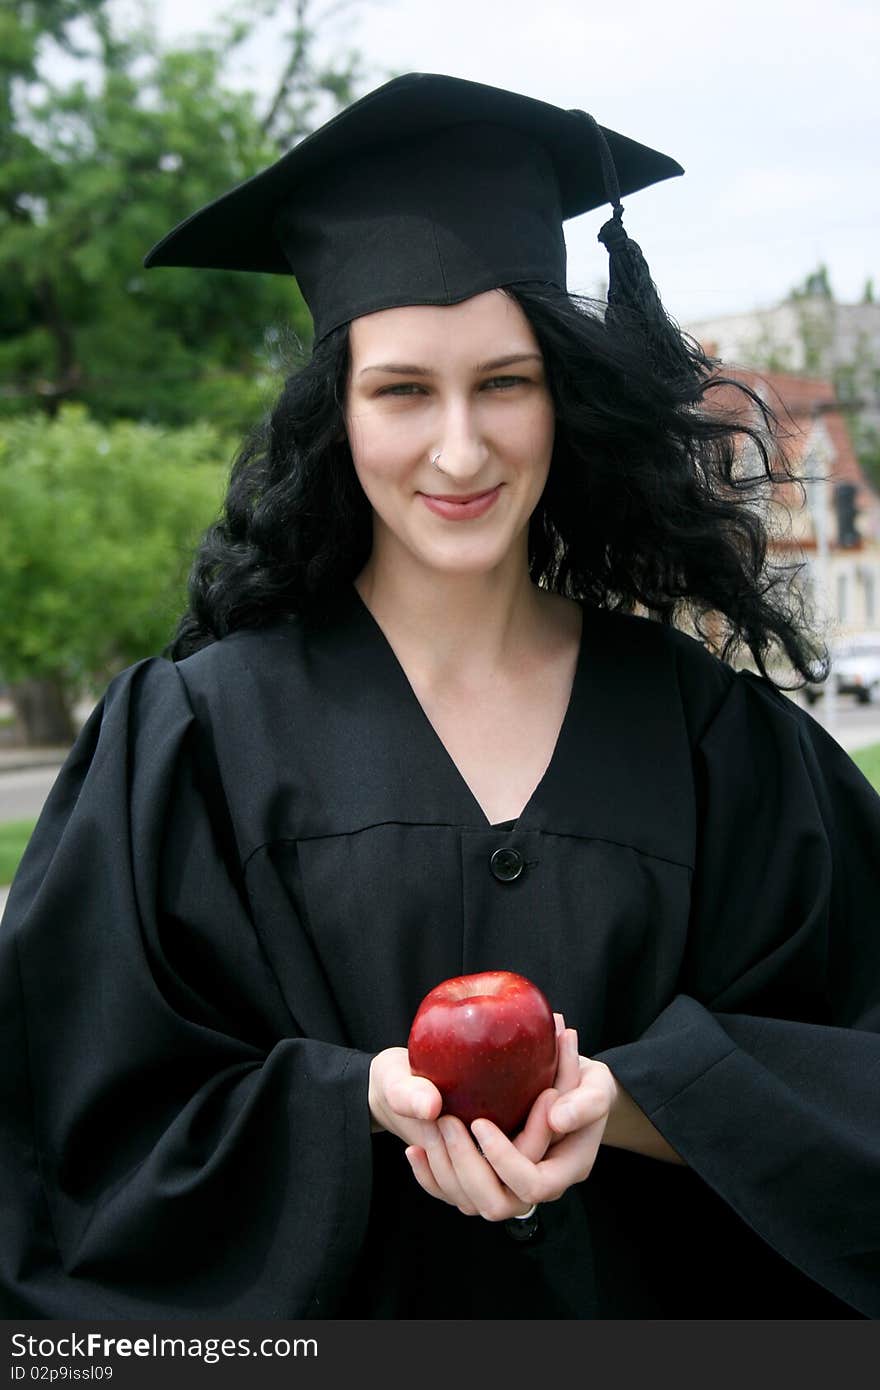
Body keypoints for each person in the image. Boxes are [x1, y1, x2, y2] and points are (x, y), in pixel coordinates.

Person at [1, 72, 878, 1320]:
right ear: (337, 413)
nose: (459, 449)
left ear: (561, 402)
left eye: (505, 383)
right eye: (403, 389)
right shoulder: (194, 741)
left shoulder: (712, 741)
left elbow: (853, 1072)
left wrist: (638, 1101)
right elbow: (66, 1142)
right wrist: (344, 1103)